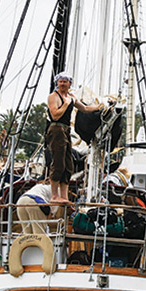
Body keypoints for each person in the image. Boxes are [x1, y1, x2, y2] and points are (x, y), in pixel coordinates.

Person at [46, 72, 100, 204]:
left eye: (65, 81)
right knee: (58, 162)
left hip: (65, 130)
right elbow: (55, 115)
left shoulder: (71, 97)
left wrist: (100, 107)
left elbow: (85, 108)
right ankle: (54, 196)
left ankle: (63, 196)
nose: (62, 84)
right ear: (57, 83)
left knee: (67, 165)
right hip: (56, 128)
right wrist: (65, 104)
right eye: (60, 82)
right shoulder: (54, 97)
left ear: (70, 83)